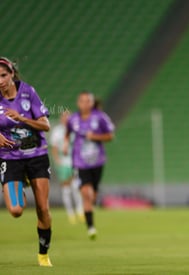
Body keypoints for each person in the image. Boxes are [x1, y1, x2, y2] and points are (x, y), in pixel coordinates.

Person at [0, 57, 53, 267]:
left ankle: (43, 255)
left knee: (43, 208)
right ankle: (20, 182)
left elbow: (45, 125)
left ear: (12, 73)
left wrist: (22, 119)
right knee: (15, 211)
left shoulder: (28, 92)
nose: (0, 80)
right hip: (9, 158)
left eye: (3, 75)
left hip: (36, 156)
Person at [64, 91, 114, 239]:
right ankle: (91, 228)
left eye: (88, 101)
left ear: (92, 103)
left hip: (97, 161)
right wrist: (66, 145)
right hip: (80, 162)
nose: (85, 104)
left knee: (93, 196)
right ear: (78, 103)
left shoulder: (100, 117)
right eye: (82, 101)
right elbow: (67, 133)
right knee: (86, 193)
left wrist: (95, 136)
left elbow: (110, 135)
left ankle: (90, 210)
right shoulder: (72, 119)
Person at [50, 110, 84, 224]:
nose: (66, 119)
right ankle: (70, 213)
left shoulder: (75, 130)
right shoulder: (57, 131)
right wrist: (57, 161)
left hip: (73, 162)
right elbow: (54, 148)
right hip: (63, 163)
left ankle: (79, 210)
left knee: (76, 186)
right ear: (61, 118)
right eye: (64, 117)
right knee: (66, 189)